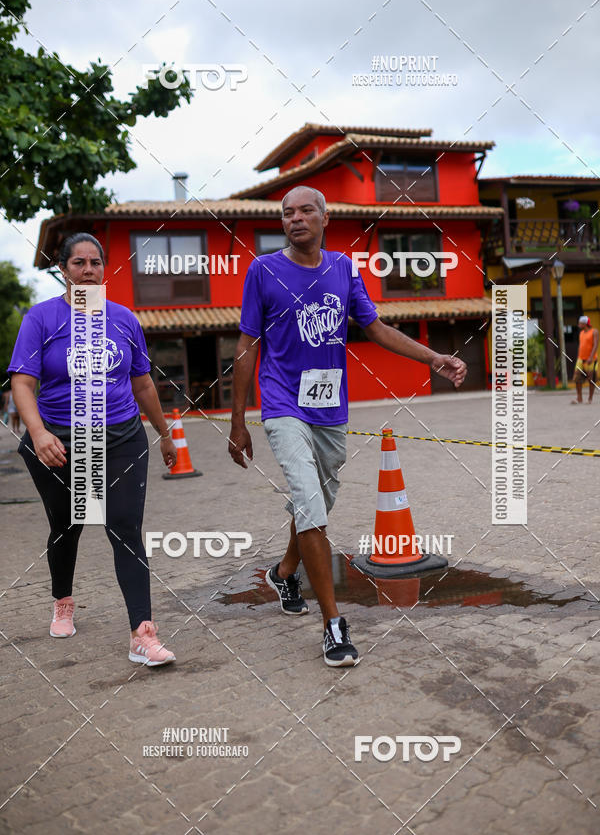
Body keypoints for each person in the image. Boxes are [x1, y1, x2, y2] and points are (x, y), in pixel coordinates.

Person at [228, 186, 467, 668]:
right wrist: (238, 421)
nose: (295, 219)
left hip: (331, 409)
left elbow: (376, 328)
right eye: (286, 213)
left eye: (305, 211)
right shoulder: (264, 271)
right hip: (282, 405)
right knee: (310, 503)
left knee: (318, 502)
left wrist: (433, 357)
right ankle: (333, 625)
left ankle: (284, 571)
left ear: (324, 217)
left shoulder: (343, 269)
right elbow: (247, 346)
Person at [9, 232, 178, 667]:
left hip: (121, 437)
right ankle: (63, 599)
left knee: (123, 527)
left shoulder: (123, 319)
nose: (87, 270)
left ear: (104, 269)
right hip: (59, 443)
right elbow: (22, 383)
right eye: (78, 263)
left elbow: (142, 383)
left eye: (95, 263)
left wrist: (164, 434)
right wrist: (39, 432)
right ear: (63, 270)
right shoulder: (42, 319)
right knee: (67, 526)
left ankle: (142, 633)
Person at [571, 316, 598, 404]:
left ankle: (590, 399)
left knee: (591, 379)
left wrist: (591, 357)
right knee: (577, 379)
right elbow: (581, 346)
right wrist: (579, 357)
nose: (578, 324)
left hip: (591, 359)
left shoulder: (594, 331)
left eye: (580, 323)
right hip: (580, 359)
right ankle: (579, 398)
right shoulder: (581, 333)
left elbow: (595, 345)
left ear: (585, 323)